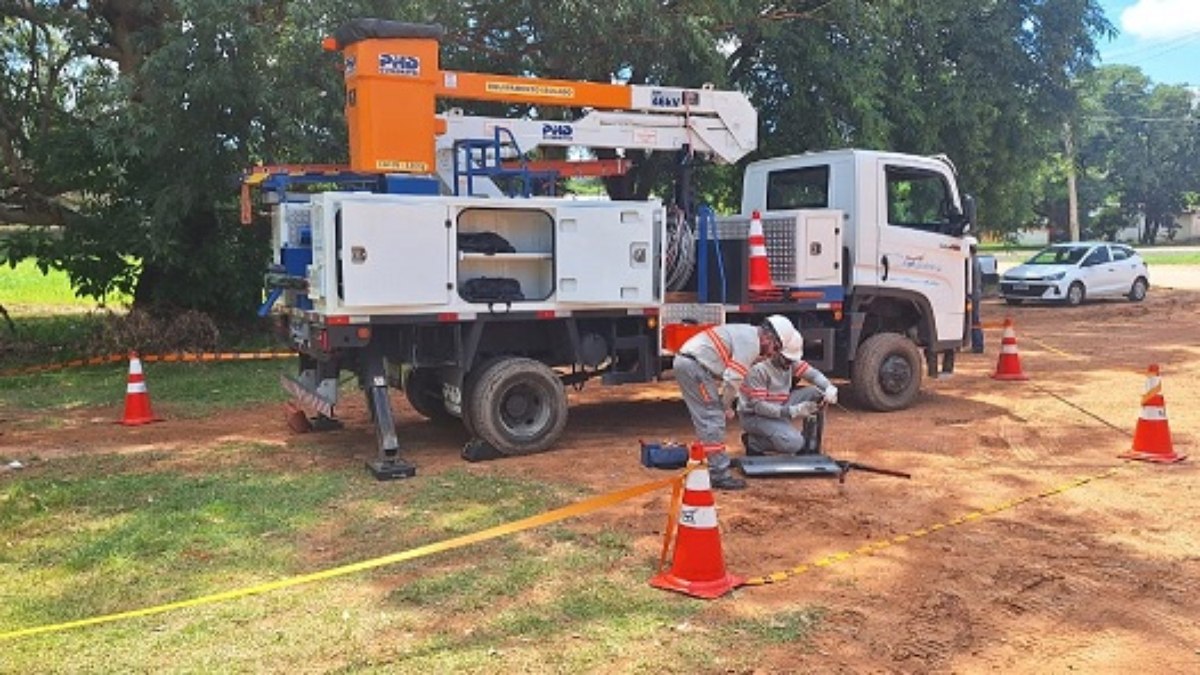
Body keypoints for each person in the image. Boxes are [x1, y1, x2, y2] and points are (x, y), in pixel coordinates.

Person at [673, 315, 796, 490]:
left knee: (708, 418)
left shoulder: (747, 332)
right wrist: (725, 406)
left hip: (690, 364)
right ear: (769, 337)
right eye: (775, 348)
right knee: (712, 418)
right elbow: (733, 379)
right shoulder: (751, 343)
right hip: (695, 368)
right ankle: (718, 474)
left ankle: (713, 463)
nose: (771, 354)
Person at [737, 330, 838, 455]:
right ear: (777, 351)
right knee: (794, 443)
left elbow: (814, 375)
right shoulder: (759, 371)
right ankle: (754, 442)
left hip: (779, 405)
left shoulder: (791, 362)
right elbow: (759, 407)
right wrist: (794, 411)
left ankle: (810, 442)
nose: (789, 364)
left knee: (817, 393)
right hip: (755, 417)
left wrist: (829, 387)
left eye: (792, 360)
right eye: (787, 360)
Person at [969, 238, 985, 353]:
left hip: (972, 294)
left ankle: (978, 344)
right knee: (975, 319)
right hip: (976, 293)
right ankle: (977, 344)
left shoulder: (970, 261)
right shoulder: (976, 260)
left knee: (974, 319)